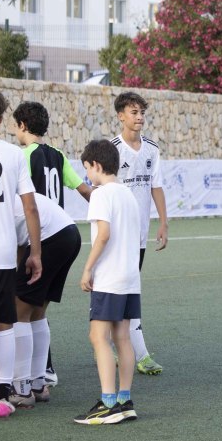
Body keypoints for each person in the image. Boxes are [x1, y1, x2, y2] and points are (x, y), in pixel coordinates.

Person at [13, 100, 91, 387]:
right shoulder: (58, 155)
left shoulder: (22, 156)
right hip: (60, 228)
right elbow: (84, 190)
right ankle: (43, 372)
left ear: (22, 125)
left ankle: (27, 379)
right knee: (38, 309)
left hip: (38, 235)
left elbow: (25, 206)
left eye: (16, 127)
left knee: (22, 308)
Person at [76, 139, 142, 425]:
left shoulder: (101, 194)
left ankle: (107, 403)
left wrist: (87, 268)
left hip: (109, 277)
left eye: (87, 168)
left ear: (97, 165)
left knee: (98, 337)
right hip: (130, 278)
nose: (87, 174)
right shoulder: (128, 194)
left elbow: (103, 235)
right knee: (122, 337)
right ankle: (125, 401)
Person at [0, 88, 42, 419]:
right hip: (1, 254)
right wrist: (35, 252)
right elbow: (30, 208)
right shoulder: (13, 154)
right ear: (0, 117)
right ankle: (2, 395)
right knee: (4, 325)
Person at [111, 91, 167, 375]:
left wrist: (163, 222)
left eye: (142, 112)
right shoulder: (112, 149)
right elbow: (100, 190)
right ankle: (139, 354)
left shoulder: (151, 149)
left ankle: (113, 345)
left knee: (125, 290)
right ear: (121, 116)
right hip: (116, 235)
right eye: (134, 112)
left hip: (140, 235)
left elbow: (156, 186)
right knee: (122, 290)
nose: (140, 117)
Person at [8, 193, 81, 409]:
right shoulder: (5, 193)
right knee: (37, 312)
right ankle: (38, 385)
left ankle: (22, 389)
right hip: (69, 233)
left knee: (19, 312)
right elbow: (20, 244)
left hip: (49, 238)